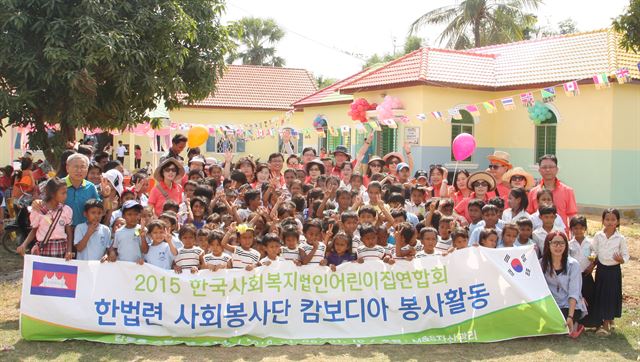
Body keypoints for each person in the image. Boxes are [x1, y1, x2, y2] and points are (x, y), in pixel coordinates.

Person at [540, 231, 587, 338]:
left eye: (562, 243)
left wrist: (570, 316)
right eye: (554, 243)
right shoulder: (540, 264)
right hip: (552, 305)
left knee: (561, 322)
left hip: (569, 306)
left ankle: (573, 324)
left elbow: (574, 292)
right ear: (548, 244)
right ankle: (569, 327)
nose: (558, 246)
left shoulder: (573, 265)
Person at [592, 208, 629, 336]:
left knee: (611, 295)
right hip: (601, 270)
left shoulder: (620, 238)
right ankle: (606, 319)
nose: (610, 222)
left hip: (613, 271)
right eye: (607, 219)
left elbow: (626, 255)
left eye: (613, 220)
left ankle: (606, 324)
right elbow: (594, 250)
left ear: (617, 222)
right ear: (602, 221)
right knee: (601, 295)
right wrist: (592, 257)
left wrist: (621, 260)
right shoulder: (598, 236)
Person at [18, 178, 73, 259]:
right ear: (52, 194)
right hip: (44, 249)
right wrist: (24, 244)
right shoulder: (38, 210)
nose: (66, 196)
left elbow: (69, 233)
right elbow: (34, 230)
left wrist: (69, 250)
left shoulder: (66, 210)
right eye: (63, 193)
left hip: (61, 249)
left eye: (66, 193)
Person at [527, 154, 577, 234]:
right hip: (537, 238)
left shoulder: (567, 191)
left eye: (551, 167)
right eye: (544, 167)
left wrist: (572, 239)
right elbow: (528, 216)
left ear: (557, 169)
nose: (547, 170)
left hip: (560, 240)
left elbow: (572, 217)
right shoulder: (533, 192)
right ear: (539, 170)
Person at [568, 215, 597, 328]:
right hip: (575, 276)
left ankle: (590, 321)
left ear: (585, 228)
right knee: (577, 298)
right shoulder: (570, 244)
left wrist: (592, 265)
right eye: (575, 228)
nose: (578, 231)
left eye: (581, 228)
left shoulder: (590, 243)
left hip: (586, 274)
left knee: (589, 296)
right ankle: (578, 321)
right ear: (571, 229)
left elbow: (595, 255)